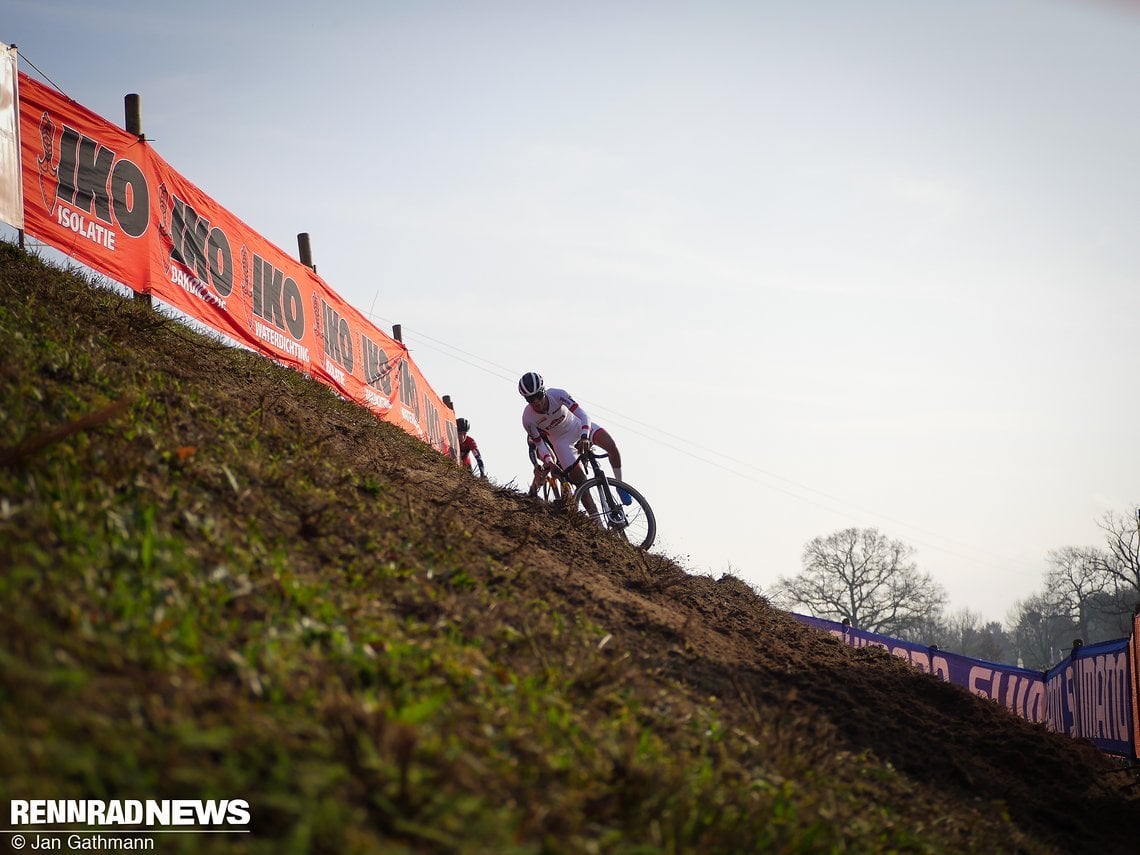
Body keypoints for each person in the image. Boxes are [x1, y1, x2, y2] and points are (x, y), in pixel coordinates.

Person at [517, 371, 631, 510]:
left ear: (544, 391)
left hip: (577, 426)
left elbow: (583, 415)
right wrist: (549, 462)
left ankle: (620, 485)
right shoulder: (528, 418)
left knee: (610, 445)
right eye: (530, 399)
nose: (536, 401)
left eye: (538, 396)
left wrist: (584, 435)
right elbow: (539, 444)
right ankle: (597, 523)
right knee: (581, 483)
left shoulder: (558, 395)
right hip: (561, 443)